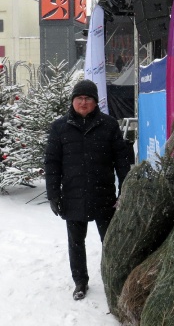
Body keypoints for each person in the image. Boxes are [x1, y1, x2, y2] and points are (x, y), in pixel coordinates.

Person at [44, 79, 130, 300]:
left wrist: (125, 188)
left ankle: (114, 280)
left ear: (95, 102)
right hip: (73, 195)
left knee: (110, 241)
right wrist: (53, 194)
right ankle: (80, 282)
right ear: (73, 101)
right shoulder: (59, 127)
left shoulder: (109, 125)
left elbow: (121, 161)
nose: (83, 102)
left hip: (103, 195)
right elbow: (52, 163)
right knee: (76, 242)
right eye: (79, 98)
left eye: (88, 98)